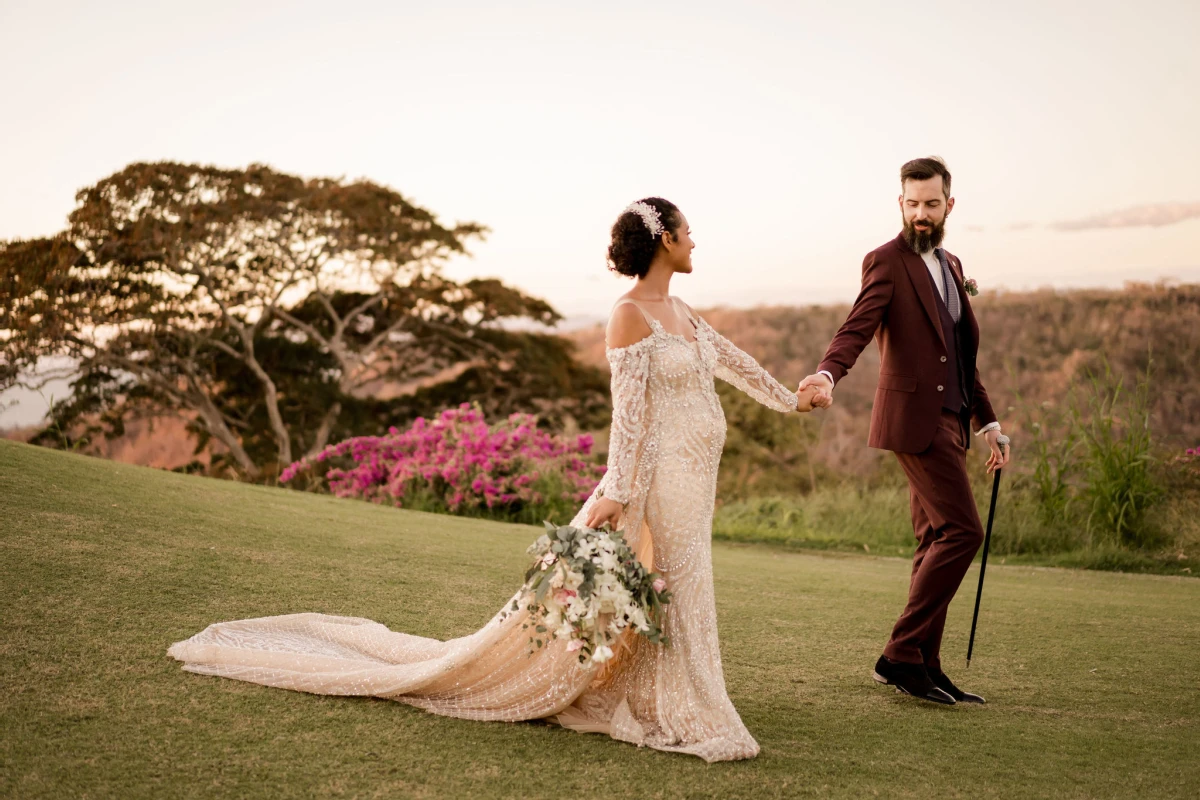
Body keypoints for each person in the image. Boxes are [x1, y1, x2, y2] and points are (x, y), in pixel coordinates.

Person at [168, 197, 828, 762]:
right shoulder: (629, 315)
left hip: (693, 478)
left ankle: (674, 692)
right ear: (664, 240)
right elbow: (628, 418)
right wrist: (618, 492)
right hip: (653, 481)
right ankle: (687, 706)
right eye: (686, 231)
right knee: (671, 586)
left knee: (686, 585)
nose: (695, 241)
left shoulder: (683, 309)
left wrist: (790, 400)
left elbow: (735, 364)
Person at [799, 157, 1011, 706]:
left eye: (932, 204)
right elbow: (857, 327)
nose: (921, 213)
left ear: (949, 205)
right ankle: (898, 655)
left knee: (933, 540)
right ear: (900, 204)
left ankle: (926, 666)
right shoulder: (886, 261)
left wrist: (988, 422)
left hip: (955, 420)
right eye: (912, 204)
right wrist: (827, 373)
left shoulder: (952, 262)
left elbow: (964, 358)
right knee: (963, 532)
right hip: (913, 422)